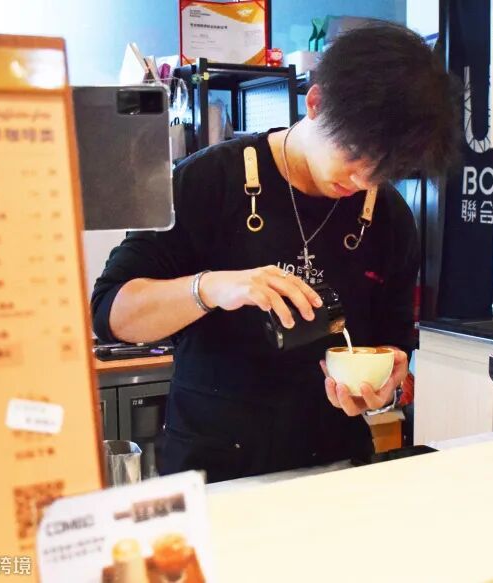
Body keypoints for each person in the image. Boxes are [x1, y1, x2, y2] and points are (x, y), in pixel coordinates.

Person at [91, 22, 459, 482]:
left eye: (384, 170)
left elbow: (394, 345)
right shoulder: (209, 182)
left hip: (334, 472)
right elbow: (111, 311)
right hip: (213, 476)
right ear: (316, 103)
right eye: (354, 152)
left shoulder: (390, 219)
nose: (363, 181)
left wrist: (385, 388)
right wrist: (213, 288)